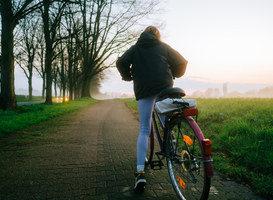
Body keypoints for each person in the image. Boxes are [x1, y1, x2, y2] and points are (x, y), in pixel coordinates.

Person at [116, 26, 188, 190]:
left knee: (143, 129)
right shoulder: (163, 47)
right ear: (157, 36)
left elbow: (121, 62)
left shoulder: (136, 48)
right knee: (166, 121)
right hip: (164, 87)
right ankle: (170, 146)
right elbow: (182, 62)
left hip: (145, 90)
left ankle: (140, 173)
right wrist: (173, 73)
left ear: (144, 34)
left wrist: (128, 76)